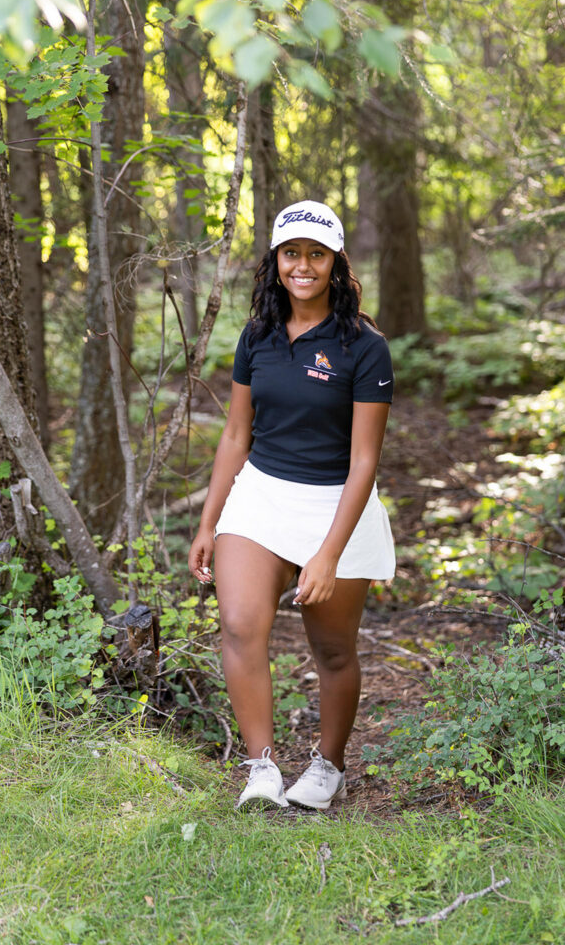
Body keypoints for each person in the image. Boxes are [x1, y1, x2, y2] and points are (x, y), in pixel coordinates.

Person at [188, 200, 395, 810]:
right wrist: (208, 521)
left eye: (316, 254)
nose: (303, 265)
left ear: (335, 262)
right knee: (239, 624)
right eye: (291, 253)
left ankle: (329, 767)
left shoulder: (364, 347)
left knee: (332, 649)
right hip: (261, 496)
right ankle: (262, 769)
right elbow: (236, 436)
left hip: (338, 505)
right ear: (275, 260)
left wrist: (327, 554)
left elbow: (364, 461)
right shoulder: (257, 336)